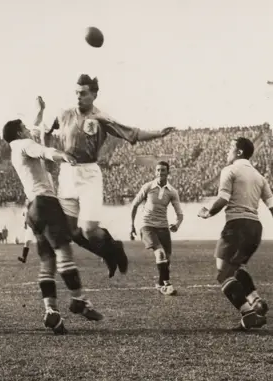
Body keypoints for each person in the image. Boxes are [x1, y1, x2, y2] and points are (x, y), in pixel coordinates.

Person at [40, 75, 176, 278]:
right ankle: (108, 254)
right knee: (71, 231)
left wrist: (158, 134)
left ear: (94, 95)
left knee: (88, 230)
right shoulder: (64, 114)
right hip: (67, 174)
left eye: (84, 93)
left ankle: (115, 248)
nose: (79, 97)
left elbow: (131, 133)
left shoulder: (100, 118)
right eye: (77, 93)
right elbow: (46, 131)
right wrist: (48, 155)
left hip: (89, 175)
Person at [4, 117, 103, 334]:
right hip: (46, 203)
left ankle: (51, 312)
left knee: (47, 262)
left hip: (33, 209)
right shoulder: (24, 144)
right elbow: (46, 152)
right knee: (64, 252)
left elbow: (43, 154)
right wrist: (63, 156)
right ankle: (79, 300)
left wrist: (39, 115)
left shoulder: (16, 149)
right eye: (25, 127)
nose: (28, 130)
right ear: (19, 133)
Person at [198, 137, 273, 331]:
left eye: (229, 147)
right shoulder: (260, 177)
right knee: (236, 268)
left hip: (237, 226)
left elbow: (223, 199)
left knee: (223, 273)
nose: (227, 151)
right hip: (255, 228)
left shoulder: (230, 170)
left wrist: (207, 212)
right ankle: (255, 301)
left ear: (239, 152)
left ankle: (248, 313)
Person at [130, 161, 184, 295]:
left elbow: (180, 214)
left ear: (168, 173)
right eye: (158, 170)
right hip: (147, 225)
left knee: (167, 259)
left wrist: (177, 224)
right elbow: (134, 205)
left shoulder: (172, 192)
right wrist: (131, 225)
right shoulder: (148, 187)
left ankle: (160, 284)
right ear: (155, 172)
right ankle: (167, 285)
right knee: (160, 253)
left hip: (163, 227)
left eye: (163, 170)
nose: (160, 173)